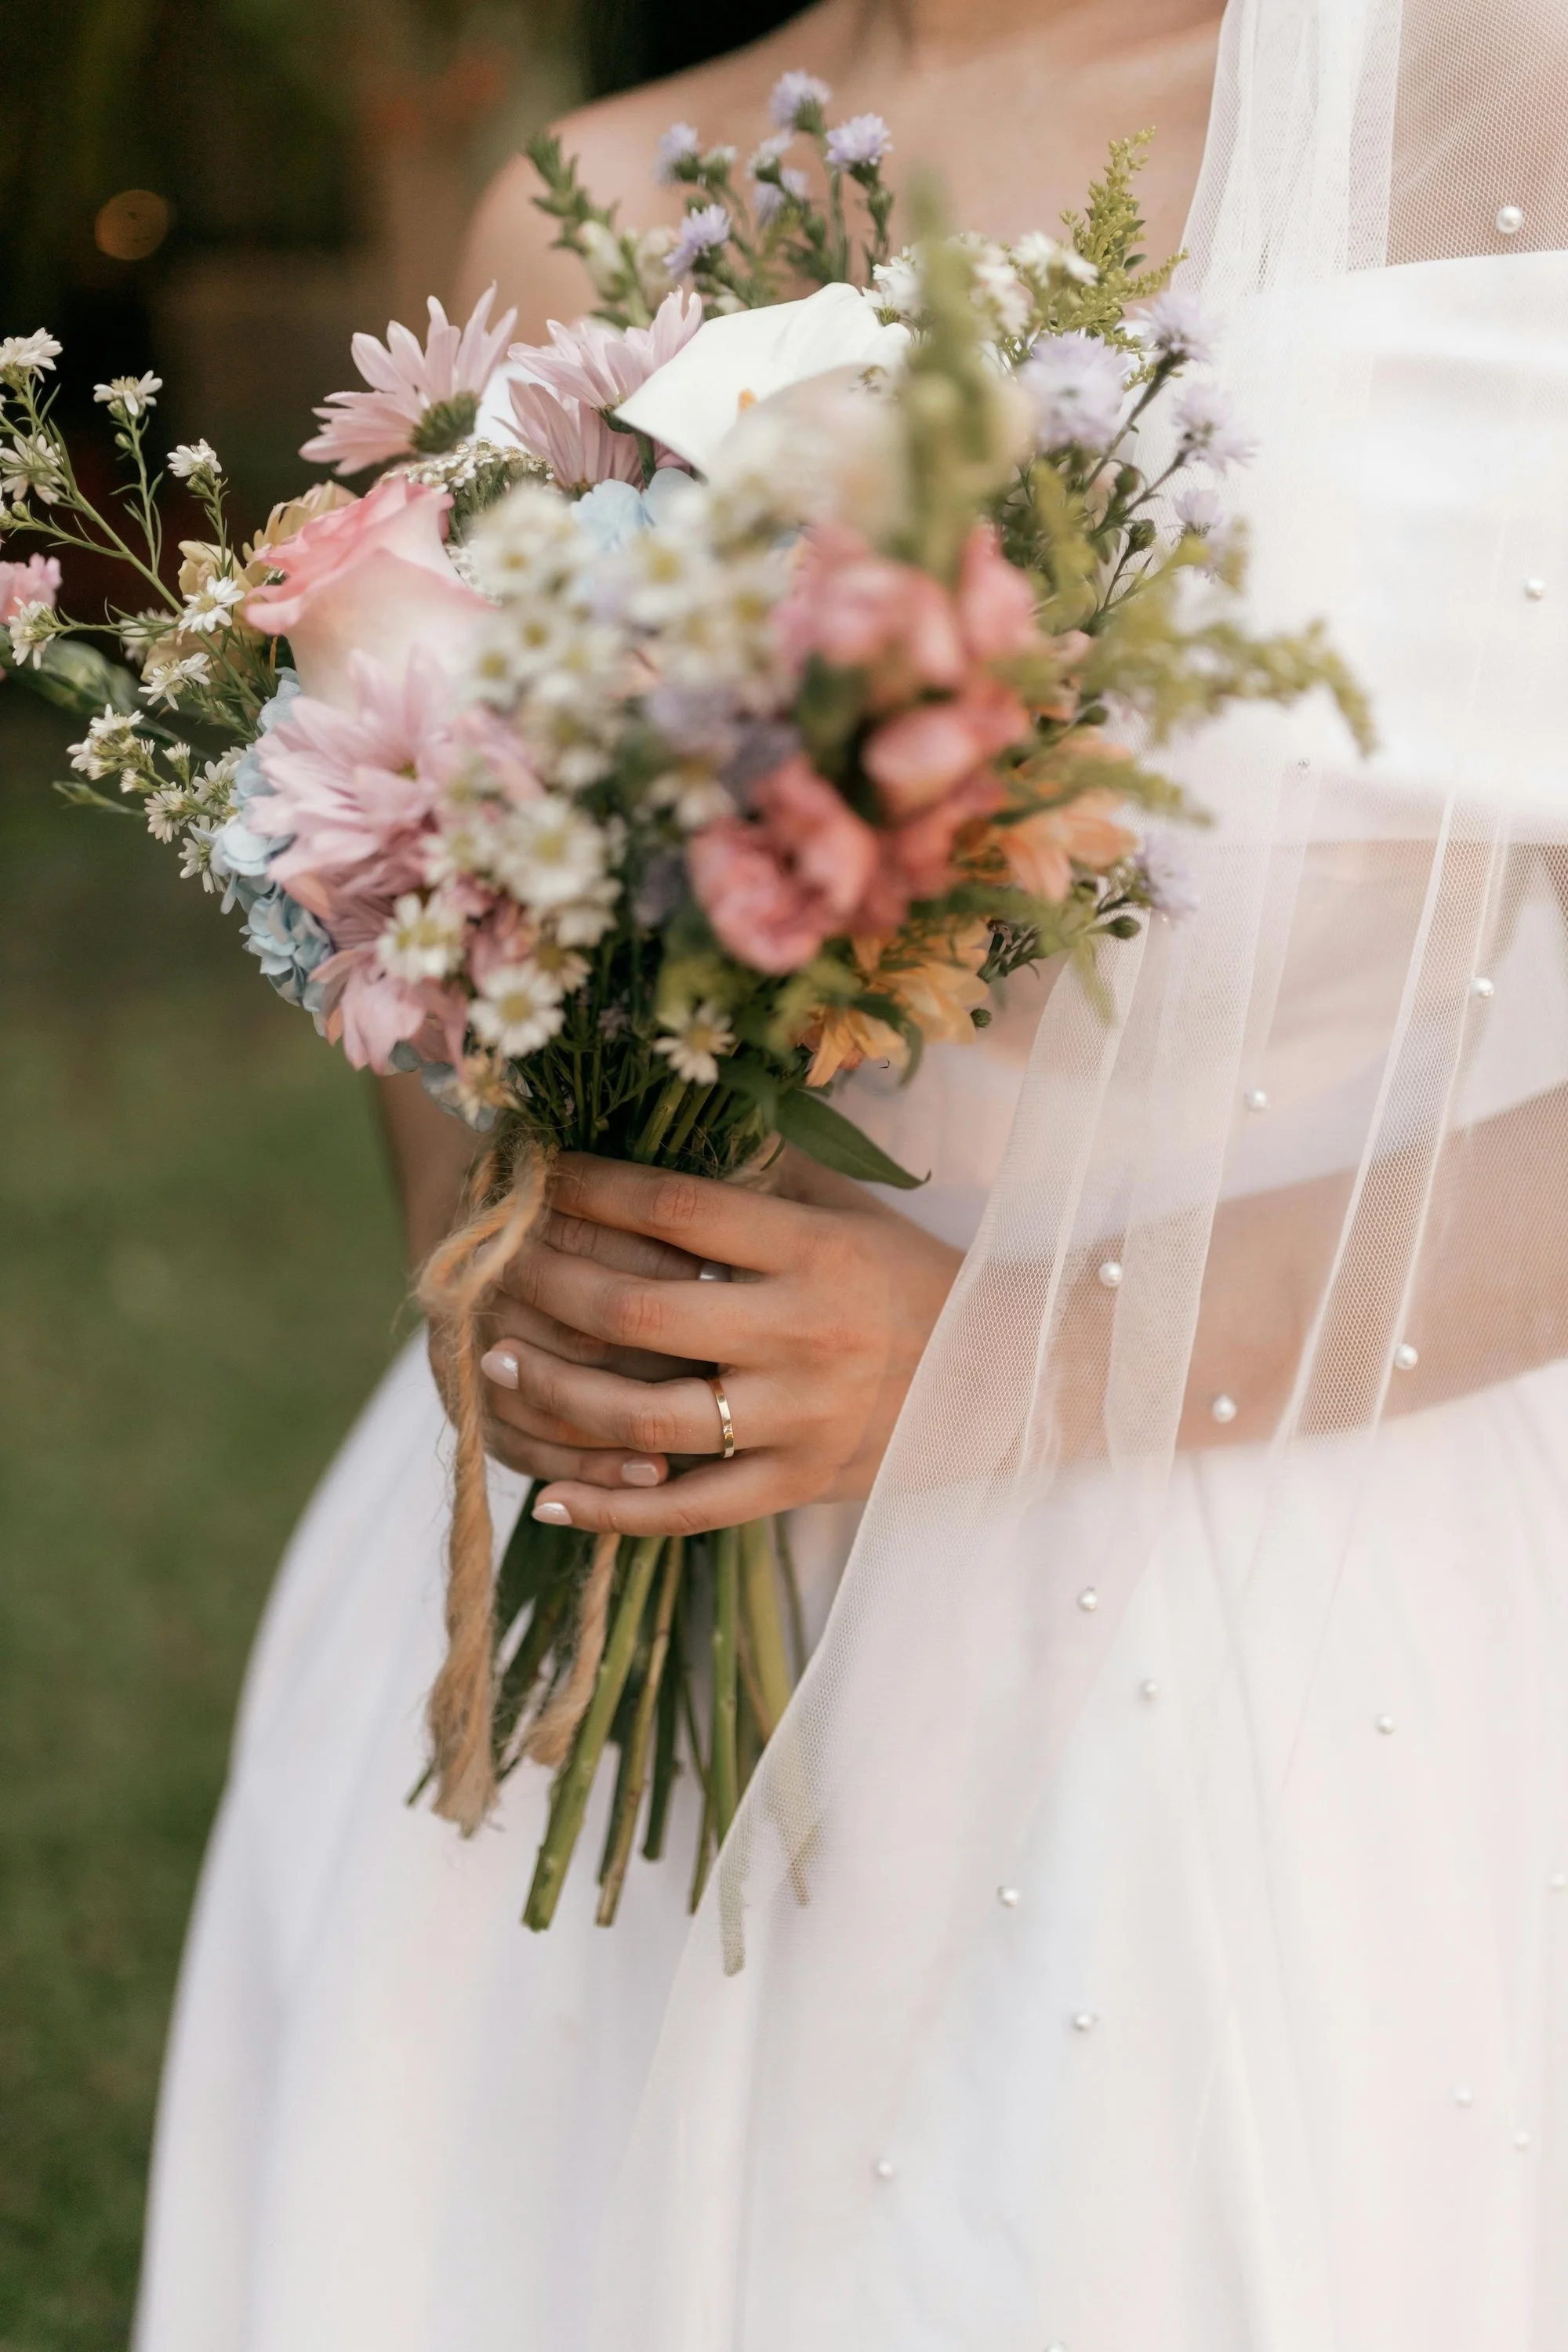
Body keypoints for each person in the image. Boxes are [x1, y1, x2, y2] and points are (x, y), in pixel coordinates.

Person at [133, 0, 1568, 2345]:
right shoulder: (587, 187)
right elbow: (437, 881)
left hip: (1256, 1631)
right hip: (612, 1575)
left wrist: (1008, 1361)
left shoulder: (1506, 131)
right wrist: (497, 1262)